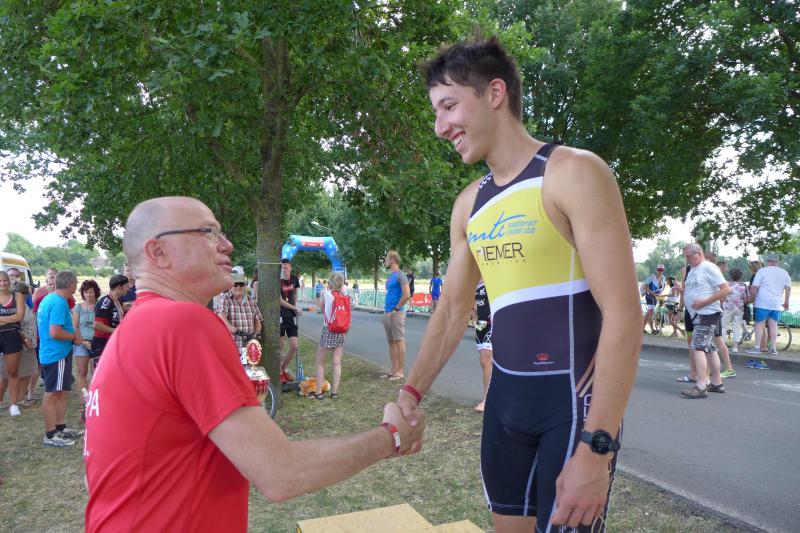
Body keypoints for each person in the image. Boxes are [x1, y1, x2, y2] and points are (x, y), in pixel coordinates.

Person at [397, 38, 641, 532]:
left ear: (494, 93)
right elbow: (452, 311)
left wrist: (598, 449)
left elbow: (624, 314)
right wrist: (410, 393)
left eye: (449, 106)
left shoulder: (573, 173)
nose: (440, 127)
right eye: (436, 112)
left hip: (572, 411)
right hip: (505, 410)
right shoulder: (469, 204)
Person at [84, 196, 424, 531]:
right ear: (158, 252)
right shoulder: (182, 324)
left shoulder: (132, 332)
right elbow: (281, 472)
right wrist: (393, 436)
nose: (227, 244)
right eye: (208, 232)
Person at [37, 270, 84, 446]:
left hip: (55, 353)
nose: (76, 286)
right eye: (76, 283)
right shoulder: (58, 302)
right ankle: (50, 435)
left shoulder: (50, 298)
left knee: (62, 392)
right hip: (57, 354)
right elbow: (55, 332)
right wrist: (74, 337)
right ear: (71, 284)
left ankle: (60, 427)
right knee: (52, 394)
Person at [680, 244, 730, 398]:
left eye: (689, 256)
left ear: (699, 253)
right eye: (685, 257)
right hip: (699, 314)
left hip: (707, 313)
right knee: (709, 348)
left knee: (698, 347)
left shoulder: (709, 267)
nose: (687, 259)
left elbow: (726, 289)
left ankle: (701, 385)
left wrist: (703, 303)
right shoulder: (693, 269)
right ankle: (717, 383)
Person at [747, 253, 792, 356]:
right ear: (778, 261)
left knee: (759, 324)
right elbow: (788, 288)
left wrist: (753, 298)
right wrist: (786, 302)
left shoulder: (762, 271)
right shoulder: (784, 272)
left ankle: (757, 347)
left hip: (762, 302)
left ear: (768, 261)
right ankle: (773, 347)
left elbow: (754, 287)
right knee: (773, 325)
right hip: (776, 303)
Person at [312, 272, 348, 400]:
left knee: (320, 362)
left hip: (329, 329)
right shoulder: (344, 296)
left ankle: (318, 392)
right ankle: (334, 392)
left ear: (330, 283)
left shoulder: (327, 294)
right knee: (337, 362)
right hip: (340, 331)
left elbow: (322, 308)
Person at [0, 270, 26, 416]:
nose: (2, 283)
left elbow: (19, 316)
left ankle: (14, 404)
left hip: (12, 335)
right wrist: (11, 317)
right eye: (0, 281)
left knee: (12, 371)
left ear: (9, 281)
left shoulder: (17, 296)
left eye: (5, 280)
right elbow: (14, 316)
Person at [216, 272, 263, 351]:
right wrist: (229, 326)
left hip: (249, 346)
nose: (238, 287)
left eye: (241, 284)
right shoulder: (225, 299)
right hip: (232, 345)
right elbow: (220, 313)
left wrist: (257, 333)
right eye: (235, 284)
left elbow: (258, 320)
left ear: (245, 286)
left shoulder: (251, 301)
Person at [382, 251, 410, 380]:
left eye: (386, 258)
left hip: (396, 313)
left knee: (399, 341)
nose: (385, 261)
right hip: (387, 311)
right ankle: (393, 370)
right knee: (391, 342)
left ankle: (400, 371)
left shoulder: (401, 275)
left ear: (392, 260)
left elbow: (407, 295)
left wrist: (396, 309)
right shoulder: (391, 276)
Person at [91, 275, 129, 362]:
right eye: (126, 286)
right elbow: (97, 325)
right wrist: (117, 331)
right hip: (102, 344)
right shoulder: (105, 301)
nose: (128, 288)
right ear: (119, 287)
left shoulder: (118, 300)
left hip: (112, 342)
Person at [72, 280, 100, 395]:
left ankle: (95, 398)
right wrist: (83, 342)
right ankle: (84, 397)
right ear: (83, 293)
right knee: (82, 372)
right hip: (81, 343)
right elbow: (74, 327)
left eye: (91, 292)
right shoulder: (78, 307)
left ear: (96, 292)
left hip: (97, 343)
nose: (88, 295)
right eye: (86, 292)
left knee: (96, 373)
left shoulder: (100, 306)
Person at [278, 258, 302, 381]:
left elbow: (295, 293)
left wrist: (295, 307)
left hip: (291, 316)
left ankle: (283, 370)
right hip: (280, 316)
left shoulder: (294, 279)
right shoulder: (277, 280)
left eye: (286, 267)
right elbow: (280, 300)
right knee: (280, 347)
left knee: (294, 346)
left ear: (290, 267)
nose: (284, 270)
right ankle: (279, 373)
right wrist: (294, 307)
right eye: (282, 268)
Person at [470, 279, 492, 412]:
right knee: (487, 363)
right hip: (480, 325)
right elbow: (473, 305)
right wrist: (473, 314)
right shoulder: (474, 282)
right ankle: (495, 394)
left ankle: (487, 400)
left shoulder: (492, 277)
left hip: (494, 323)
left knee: (485, 360)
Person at [721, 268, 747, 359]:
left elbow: (723, 296)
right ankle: (735, 347)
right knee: (737, 327)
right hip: (739, 308)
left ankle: (722, 345)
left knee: (723, 327)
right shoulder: (743, 286)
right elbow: (744, 298)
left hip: (727, 308)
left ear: (730, 276)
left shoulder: (727, 285)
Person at [641, 264, 666, 334]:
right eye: (659, 270)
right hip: (649, 296)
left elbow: (663, 287)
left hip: (656, 297)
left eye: (661, 270)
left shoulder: (663, 278)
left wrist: (659, 295)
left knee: (648, 313)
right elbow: (645, 287)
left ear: (663, 270)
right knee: (651, 312)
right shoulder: (652, 277)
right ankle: (652, 330)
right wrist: (653, 293)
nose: (660, 271)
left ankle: (641, 329)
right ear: (656, 270)